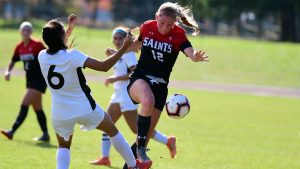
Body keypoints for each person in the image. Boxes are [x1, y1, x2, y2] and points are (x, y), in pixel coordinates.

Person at [38, 15, 151, 169]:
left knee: (63, 146)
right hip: (84, 107)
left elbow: (57, 47)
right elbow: (104, 66)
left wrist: (68, 31)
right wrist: (124, 47)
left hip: (60, 112)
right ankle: (133, 165)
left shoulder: (42, 56)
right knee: (112, 130)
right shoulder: (73, 56)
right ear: (60, 37)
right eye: (63, 32)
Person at [122, 2, 209, 168]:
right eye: (161, 23)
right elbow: (138, 44)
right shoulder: (147, 27)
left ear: (175, 23)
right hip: (140, 79)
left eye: (169, 25)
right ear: (156, 17)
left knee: (145, 134)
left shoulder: (178, 35)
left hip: (160, 87)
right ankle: (141, 149)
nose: (164, 27)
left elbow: (190, 52)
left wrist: (195, 57)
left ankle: (132, 163)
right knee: (147, 100)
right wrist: (118, 52)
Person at [90, 27, 176, 167]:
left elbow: (133, 73)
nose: (117, 41)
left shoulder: (129, 54)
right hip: (117, 95)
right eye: (115, 38)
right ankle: (105, 157)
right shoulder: (120, 53)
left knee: (138, 129)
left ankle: (167, 141)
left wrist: (113, 79)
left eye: (120, 38)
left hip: (127, 95)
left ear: (126, 39)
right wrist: (113, 56)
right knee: (106, 124)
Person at [1, 21, 50, 142]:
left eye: (28, 30)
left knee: (25, 103)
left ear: (31, 32)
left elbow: (50, 55)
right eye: (24, 30)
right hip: (30, 81)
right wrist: (7, 71)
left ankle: (12, 131)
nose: (26, 32)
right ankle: (45, 135)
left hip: (40, 80)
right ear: (20, 32)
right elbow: (13, 60)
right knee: (37, 108)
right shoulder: (20, 47)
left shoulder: (37, 45)